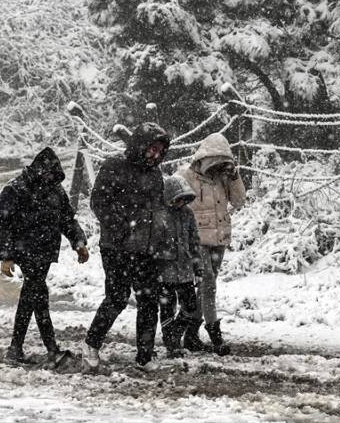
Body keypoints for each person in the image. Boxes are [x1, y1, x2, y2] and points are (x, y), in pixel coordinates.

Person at [82, 122, 170, 371]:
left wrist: (161, 236)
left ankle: (145, 356)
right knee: (117, 298)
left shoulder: (155, 174)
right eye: (152, 149)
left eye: (159, 152)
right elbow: (98, 202)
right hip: (116, 247)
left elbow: (158, 208)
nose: (155, 155)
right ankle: (91, 344)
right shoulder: (114, 167)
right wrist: (121, 229)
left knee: (148, 300)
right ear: (140, 145)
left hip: (146, 247)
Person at [0, 147, 88, 367]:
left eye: (53, 176)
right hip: (24, 251)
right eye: (47, 174)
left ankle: (16, 348)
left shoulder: (56, 191)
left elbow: (67, 219)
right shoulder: (16, 190)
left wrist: (78, 242)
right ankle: (50, 348)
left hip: (44, 253)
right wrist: (6, 256)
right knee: (38, 294)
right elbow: (1, 224)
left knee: (32, 296)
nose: (50, 179)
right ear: (38, 171)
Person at [177, 133, 247, 355]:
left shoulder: (224, 179)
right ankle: (215, 336)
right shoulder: (185, 176)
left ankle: (187, 332)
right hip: (196, 241)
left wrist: (234, 177)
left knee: (205, 289)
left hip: (219, 240)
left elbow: (239, 201)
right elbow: (173, 203)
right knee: (208, 286)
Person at [154, 174, 202, 357]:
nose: (181, 203)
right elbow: (154, 244)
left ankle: (175, 332)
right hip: (164, 271)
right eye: (177, 199)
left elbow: (194, 241)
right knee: (167, 307)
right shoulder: (160, 215)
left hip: (185, 269)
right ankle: (171, 343)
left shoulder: (188, 214)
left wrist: (198, 267)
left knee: (190, 305)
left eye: (184, 199)